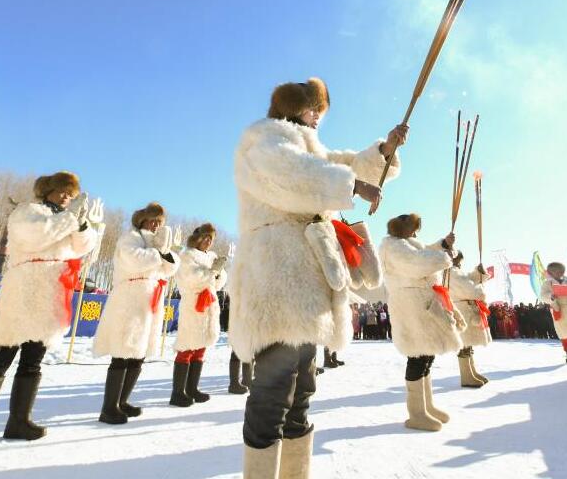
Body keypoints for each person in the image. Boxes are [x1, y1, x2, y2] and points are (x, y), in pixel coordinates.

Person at [229, 76, 404, 477]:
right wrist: (350, 184)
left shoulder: (312, 148)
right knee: (274, 385)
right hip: (277, 274)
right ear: (296, 107)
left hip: (308, 279)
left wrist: (383, 151)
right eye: (315, 110)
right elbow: (292, 173)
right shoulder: (265, 139)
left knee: (303, 386)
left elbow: (343, 163)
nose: (319, 119)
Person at [0, 172, 104, 451]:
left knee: (33, 359)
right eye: (63, 191)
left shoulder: (70, 218)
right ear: (48, 190)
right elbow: (39, 235)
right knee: (2, 357)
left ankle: (19, 420)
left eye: (71, 195)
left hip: (51, 290)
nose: (66, 197)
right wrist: (69, 218)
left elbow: (83, 246)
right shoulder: (28, 211)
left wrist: (83, 222)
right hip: (25, 287)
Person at [93, 202, 180, 424]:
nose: (155, 225)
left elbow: (169, 268)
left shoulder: (158, 243)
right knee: (122, 352)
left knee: (138, 354)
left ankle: (122, 401)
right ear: (142, 220)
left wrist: (164, 251)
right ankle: (108, 407)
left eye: (159, 222)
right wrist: (157, 252)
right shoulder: (130, 238)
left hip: (148, 301)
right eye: (152, 220)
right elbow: (135, 260)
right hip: (129, 298)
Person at [380, 215, 465, 431]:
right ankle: (416, 412)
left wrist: (443, 245)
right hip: (411, 306)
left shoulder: (406, 244)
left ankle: (427, 406)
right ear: (405, 229)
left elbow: (424, 251)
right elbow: (417, 263)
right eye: (415, 229)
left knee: (427, 355)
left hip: (422, 303)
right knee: (417, 356)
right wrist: (445, 257)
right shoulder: (393, 247)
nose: (417, 233)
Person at [170, 223, 228, 407]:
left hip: (209, 305)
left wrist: (218, 273)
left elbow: (218, 283)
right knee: (187, 345)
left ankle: (192, 388)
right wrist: (211, 272)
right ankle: (178, 392)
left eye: (211, 239)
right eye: (205, 238)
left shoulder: (211, 257)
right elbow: (191, 277)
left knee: (201, 345)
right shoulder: (187, 255)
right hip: (193, 303)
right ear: (197, 238)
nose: (208, 242)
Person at [449, 261, 491, 388]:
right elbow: (469, 289)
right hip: (462, 309)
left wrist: (478, 273)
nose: (460, 264)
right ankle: (466, 376)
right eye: (459, 260)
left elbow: (469, 279)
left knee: (468, 345)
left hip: (465, 308)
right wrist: (480, 291)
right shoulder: (452, 272)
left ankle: (471, 372)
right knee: (464, 344)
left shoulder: (457, 272)